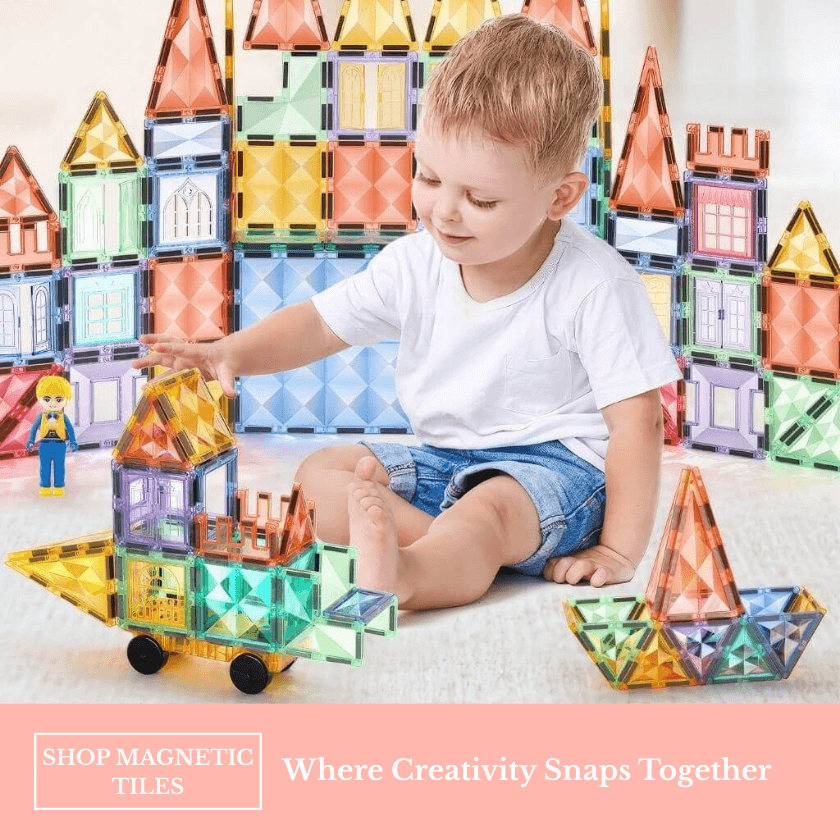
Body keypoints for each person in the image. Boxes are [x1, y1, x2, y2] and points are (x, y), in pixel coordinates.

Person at [136, 14, 681, 610]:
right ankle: (451, 551)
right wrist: (231, 351)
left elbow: (637, 423)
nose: (444, 211)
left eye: (480, 199)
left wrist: (619, 551)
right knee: (318, 477)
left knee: (488, 510)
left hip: (554, 474)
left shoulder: (594, 284)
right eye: (429, 177)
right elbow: (319, 323)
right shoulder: (416, 264)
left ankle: (415, 574)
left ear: (560, 197)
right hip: (441, 459)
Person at [26, 375, 78, 496]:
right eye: (47, 399)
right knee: (44, 467)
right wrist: (30, 440)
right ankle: (45, 486)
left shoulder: (64, 417)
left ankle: (59, 486)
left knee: (59, 466)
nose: (53, 403)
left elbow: (70, 429)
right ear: (40, 399)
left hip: (60, 445)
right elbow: (33, 428)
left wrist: (73, 441)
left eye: (59, 400)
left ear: (66, 399)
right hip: (45, 444)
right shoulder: (41, 417)